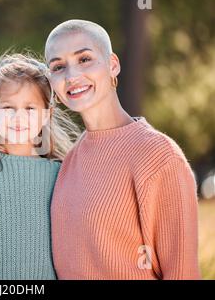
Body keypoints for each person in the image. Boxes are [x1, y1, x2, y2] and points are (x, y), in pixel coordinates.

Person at [45, 19, 201, 280]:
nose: (72, 76)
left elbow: (182, 273)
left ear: (113, 64)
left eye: (84, 59)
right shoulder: (70, 160)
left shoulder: (158, 156)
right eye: (59, 67)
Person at [0, 51, 79, 279]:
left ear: (47, 114)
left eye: (30, 109)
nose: (19, 118)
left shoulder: (60, 175)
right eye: (8, 108)